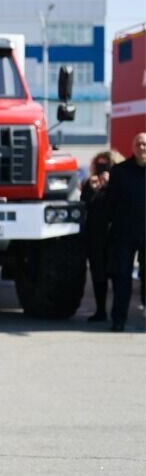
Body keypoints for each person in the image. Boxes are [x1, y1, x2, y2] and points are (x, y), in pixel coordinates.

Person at [105, 132, 146, 332]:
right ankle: (118, 319)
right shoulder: (120, 172)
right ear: (133, 147)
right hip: (125, 233)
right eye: (138, 144)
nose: (142, 148)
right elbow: (110, 202)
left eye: (145, 144)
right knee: (122, 277)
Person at [80, 150, 124, 322]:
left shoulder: (119, 182)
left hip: (115, 236)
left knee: (118, 274)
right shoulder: (90, 184)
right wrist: (92, 189)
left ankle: (118, 312)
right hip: (95, 237)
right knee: (98, 275)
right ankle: (100, 310)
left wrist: (110, 186)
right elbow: (84, 205)